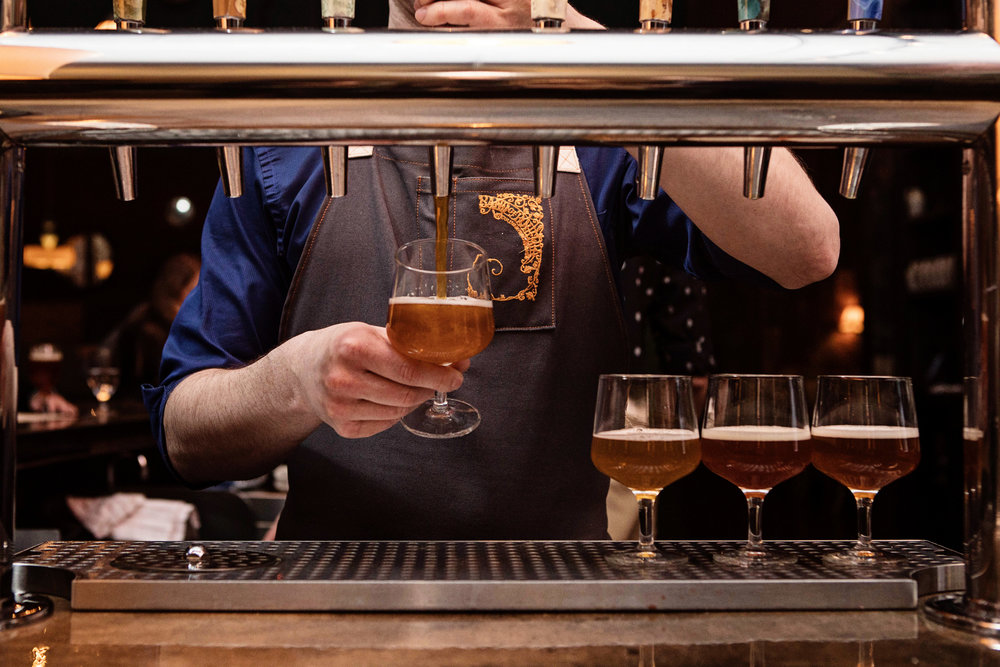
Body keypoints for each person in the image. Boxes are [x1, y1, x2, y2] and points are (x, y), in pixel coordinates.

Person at [142, 0, 839, 540]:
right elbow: (182, 435)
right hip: (336, 592)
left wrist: (582, 50)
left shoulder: (605, 126)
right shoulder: (291, 134)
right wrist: (293, 384)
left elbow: (807, 249)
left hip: (562, 595)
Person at [104, 253, 201, 400]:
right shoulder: (152, 329)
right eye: (196, 287)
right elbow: (162, 384)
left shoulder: (165, 319)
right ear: (179, 288)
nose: (202, 294)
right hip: (147, 410)